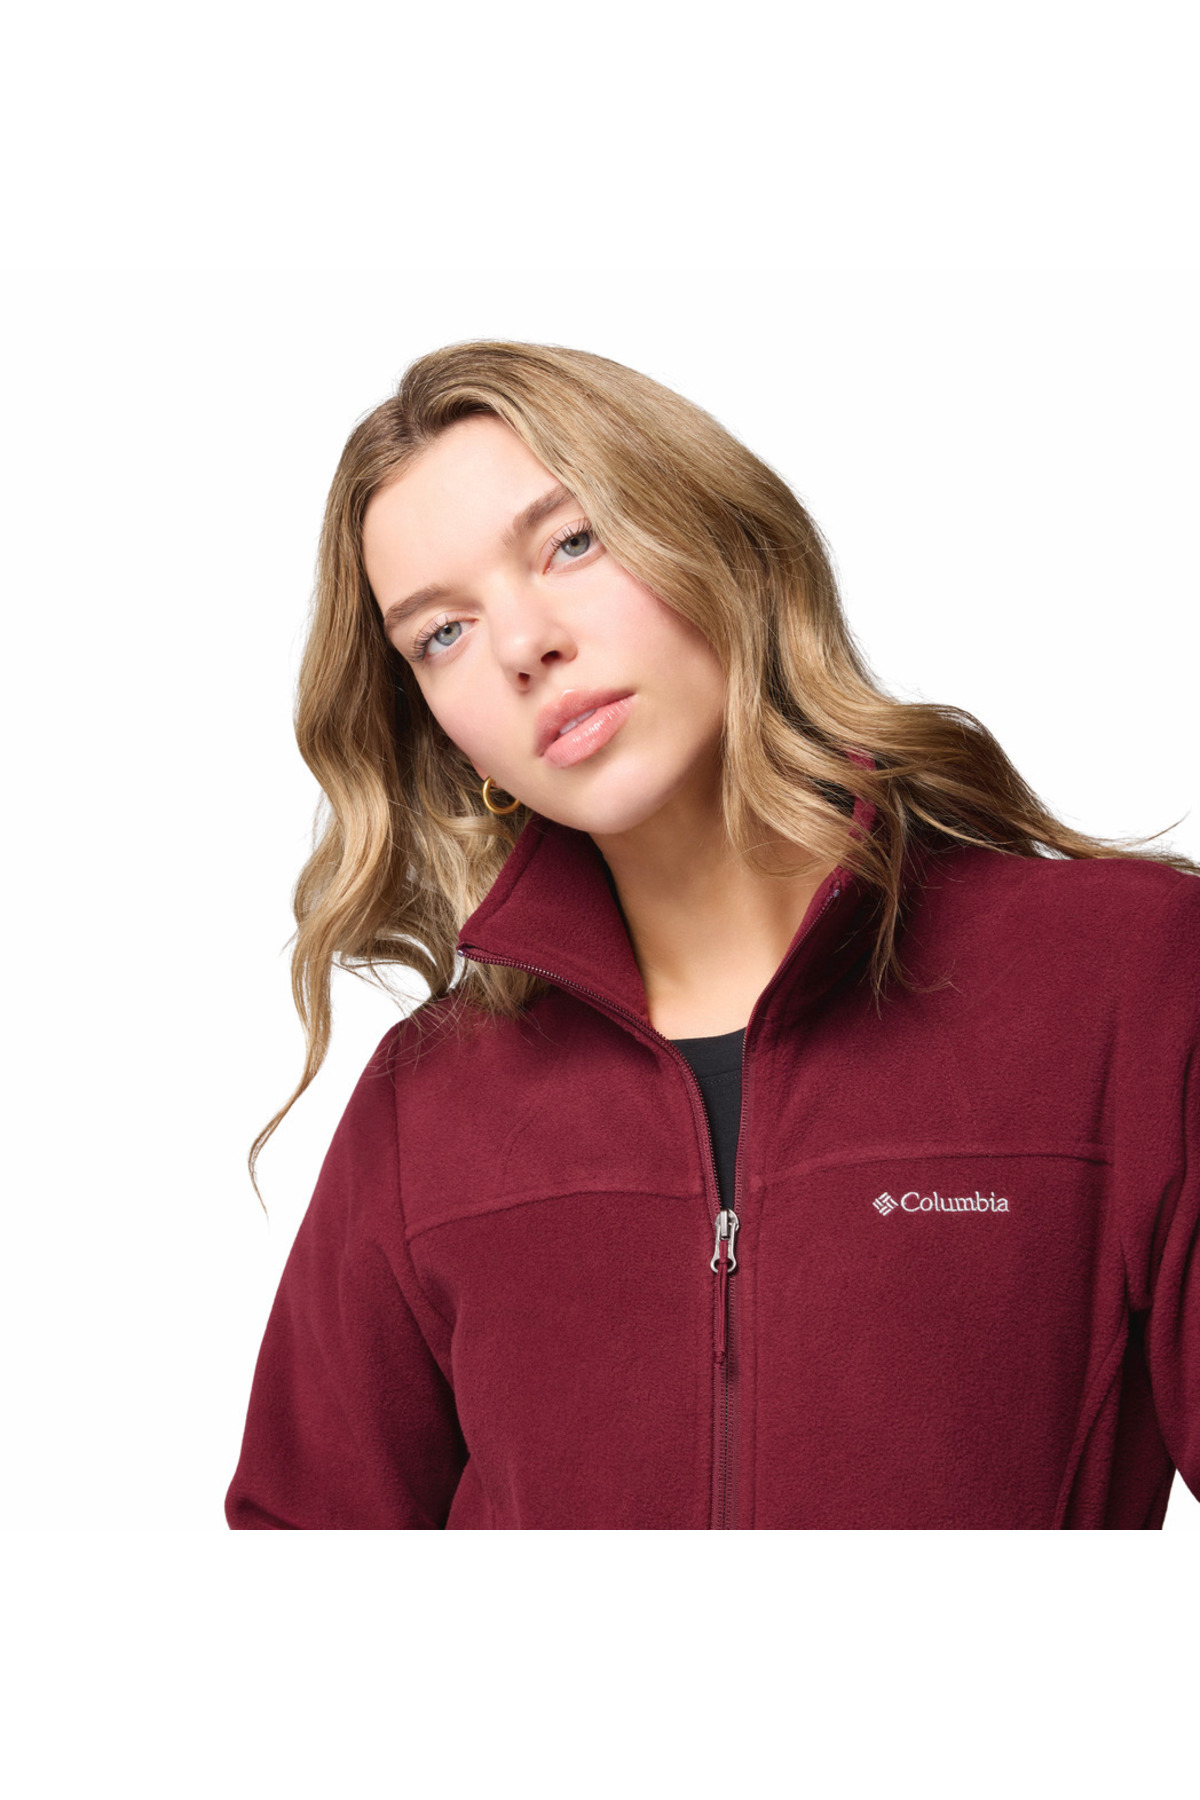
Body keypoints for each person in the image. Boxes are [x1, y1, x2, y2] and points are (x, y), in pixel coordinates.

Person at [225, 339, 1200, 1530]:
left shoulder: (1125, 981)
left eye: (571, 543)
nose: (525, 646)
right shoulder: (425, 1106)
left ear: (716, 537)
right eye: (442, 633)